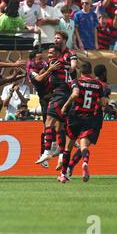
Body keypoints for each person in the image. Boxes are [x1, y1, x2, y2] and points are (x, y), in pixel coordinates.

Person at [59, 61, 107, 183]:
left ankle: (64, 175)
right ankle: (85, 163)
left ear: (81, 71)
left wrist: (65, 106)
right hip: (89, 118)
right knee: (84, 146)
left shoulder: (77, 82)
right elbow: (103, 103)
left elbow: (75, 94)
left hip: (74, 117)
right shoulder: (99, 84)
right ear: (91, 71)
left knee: (68, 148)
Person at [35, 31, 77, 168]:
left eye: (51, 53)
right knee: (60, 127)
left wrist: (39, 73)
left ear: (58, 54)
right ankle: (60, 156)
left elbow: (39, 79)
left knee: (48, 123)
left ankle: (47, 151)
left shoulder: (55, 63)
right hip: (66, 94)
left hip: (58, 94)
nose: (49, 56)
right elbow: (72, 72)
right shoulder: (64, 64)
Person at [26, 49, 58, 164]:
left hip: (53, 96)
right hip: (44, 98)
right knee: (47, 127)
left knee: (55, 123)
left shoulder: (43, 64)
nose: (42, 61)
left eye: (42, 58)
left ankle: (54, 147)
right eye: (39, 59)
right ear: (33, 60)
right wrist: (49, 69)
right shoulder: (31, 70)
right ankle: (44, 152)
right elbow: (39, 78)